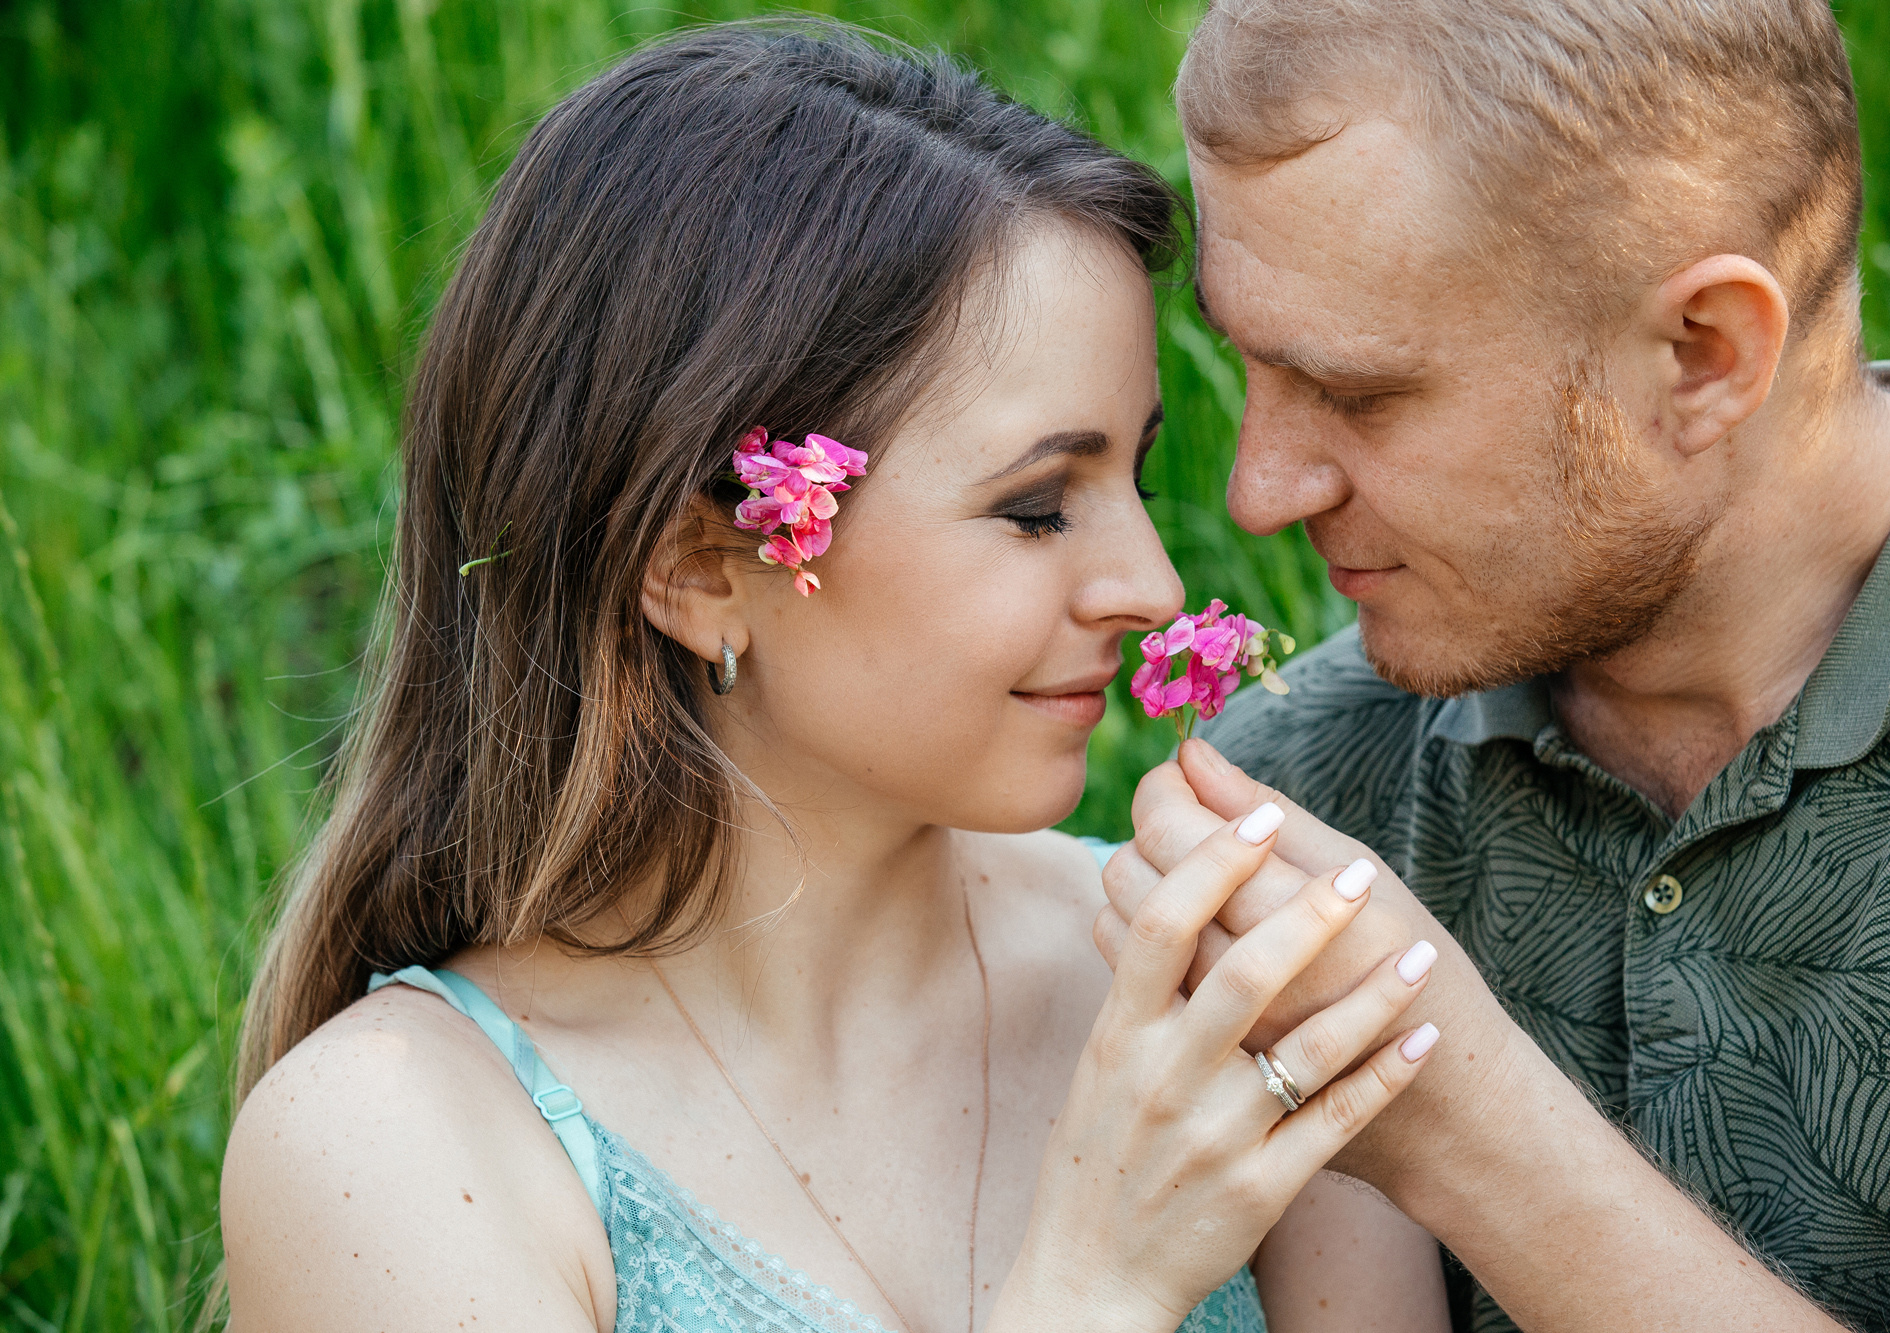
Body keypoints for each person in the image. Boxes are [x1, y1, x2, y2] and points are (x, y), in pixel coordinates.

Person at [217, 23, 1458, 1333]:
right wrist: (1102, 1285)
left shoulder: (1226, 992)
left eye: (1136, 481)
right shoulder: (393, 1144)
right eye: (1037, 505)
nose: (1151, 584)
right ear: (698, 567)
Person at [1098, 1, 1890, 1331]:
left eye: (1357, 393)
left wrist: (1467, 1133)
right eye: (1245, 363)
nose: (1258, 491)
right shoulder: (1298, 797)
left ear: (1703, 355)